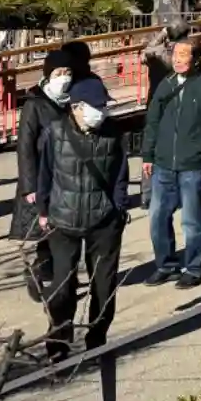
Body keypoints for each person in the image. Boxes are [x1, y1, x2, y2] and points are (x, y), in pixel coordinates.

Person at [37, 74, 129, 360]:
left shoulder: (113, 133)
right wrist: (42, 211)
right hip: (63, 221)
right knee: (62, 287)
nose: (101, 112)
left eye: (104, 106)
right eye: (96, 106)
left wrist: (119, 208)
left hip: (104, 221)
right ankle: (58, 343)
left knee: (104, 285)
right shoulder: (54, 133)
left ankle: (97, 339)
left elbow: (120, 174)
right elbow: (45, 174)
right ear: (76, 107)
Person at [9, 45, 85, 298]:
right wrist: (29, 186)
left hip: (67, 177)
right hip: (43, 178)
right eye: (58, 73)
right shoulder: (35, 104)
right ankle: (42, 273)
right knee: (48, 234)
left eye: (68, 72)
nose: (64, 78)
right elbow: (25, 147)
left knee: (63, 233)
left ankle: (59, 278)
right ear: (48, 75)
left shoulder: (72, 101)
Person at [141, 35, 201, 287]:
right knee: (157, 217)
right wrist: (148, 155)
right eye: (175, 55)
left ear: (197, 58)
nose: (177, 60)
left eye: (183, 55)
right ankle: (166, 265)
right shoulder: (167, 83)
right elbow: (152, 121)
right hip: (163, 163)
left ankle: (195, 268)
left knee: (192, 220)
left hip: (193, 164)